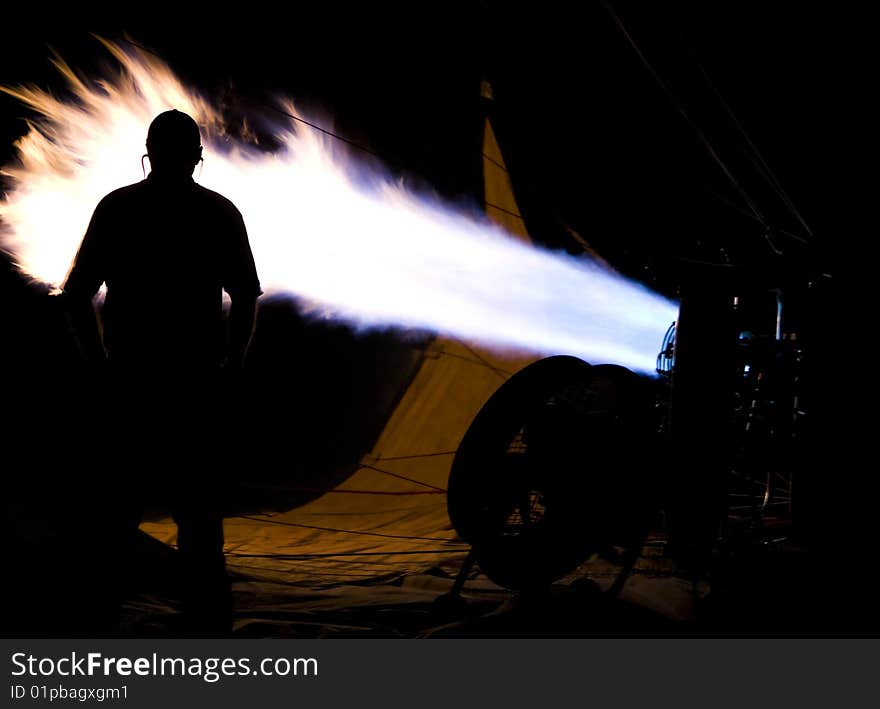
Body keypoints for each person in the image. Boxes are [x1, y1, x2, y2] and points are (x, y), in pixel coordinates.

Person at [63, 109, 261, 635]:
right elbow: (244, 297)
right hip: (196, 382)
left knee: (116, 511)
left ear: (149, 151)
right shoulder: (218, 213)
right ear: (198, 154)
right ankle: (206, 640)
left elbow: (78, 295)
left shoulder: (118, 208)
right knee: (199, 516)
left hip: (131, 379)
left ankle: (97, 636)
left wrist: (99, 365)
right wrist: (234, 365)